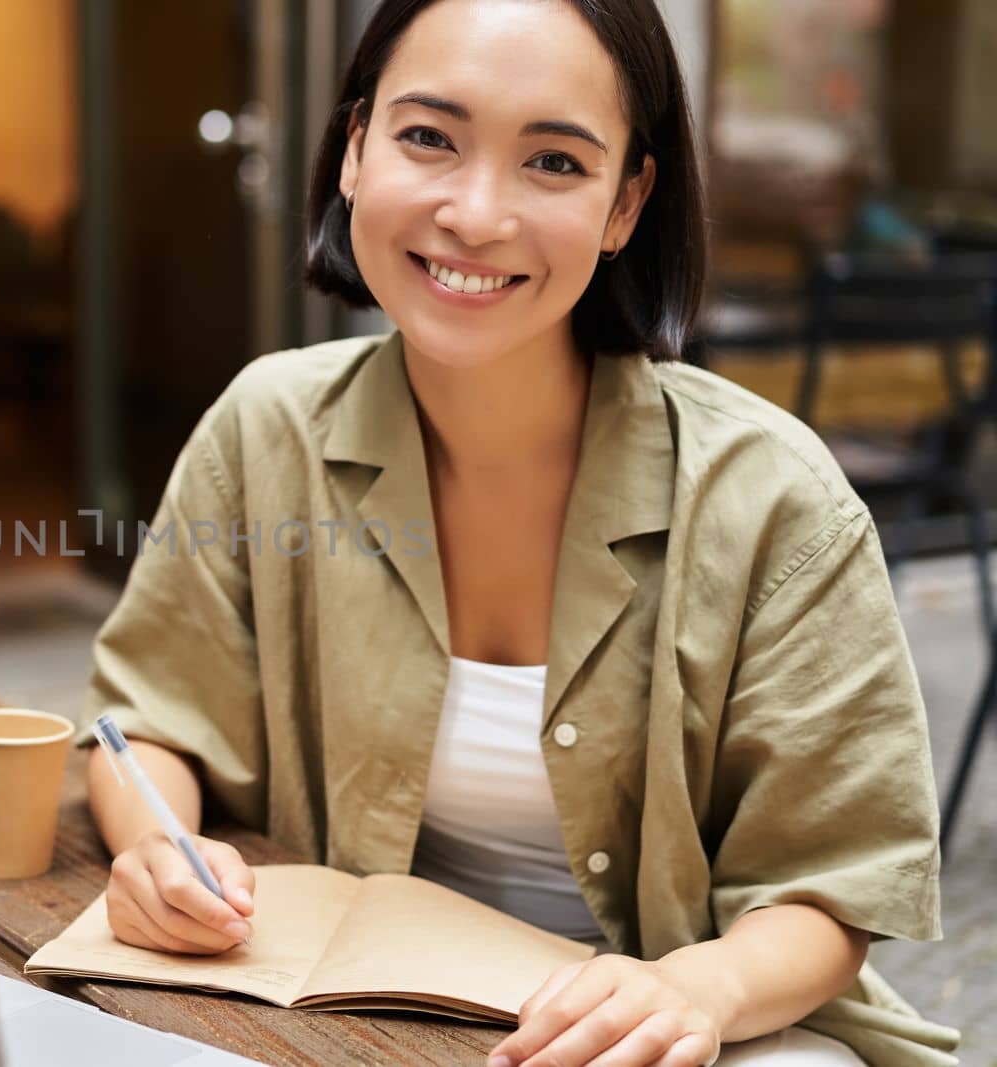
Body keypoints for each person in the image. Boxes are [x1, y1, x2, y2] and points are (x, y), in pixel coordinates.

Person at [77, 1, 958, 1064]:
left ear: (627, 201)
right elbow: (149, 721)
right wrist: (159, 853)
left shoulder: (772, 499)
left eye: (552, 161)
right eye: (427, 138)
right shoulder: (268, 426)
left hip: (684, 1027)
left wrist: (691, 991)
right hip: (332, 1007)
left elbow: (833, 884)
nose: (475, 212)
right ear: (353, 149)